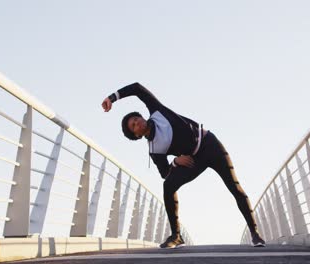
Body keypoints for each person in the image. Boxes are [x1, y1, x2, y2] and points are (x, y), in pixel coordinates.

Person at [102, 82, 266, 248]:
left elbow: (137, 88)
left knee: (234, 186)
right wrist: (175, 161)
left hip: (209, 144)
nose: (137, 123)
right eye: (134, 126)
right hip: (194, 159)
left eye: (137, 119)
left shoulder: (157, 111)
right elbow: (165, 173)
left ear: (142, 116)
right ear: (136, 135)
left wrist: (112, 98)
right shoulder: (154, 150)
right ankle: (176, 236)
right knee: (168, 186)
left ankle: (255, 233)